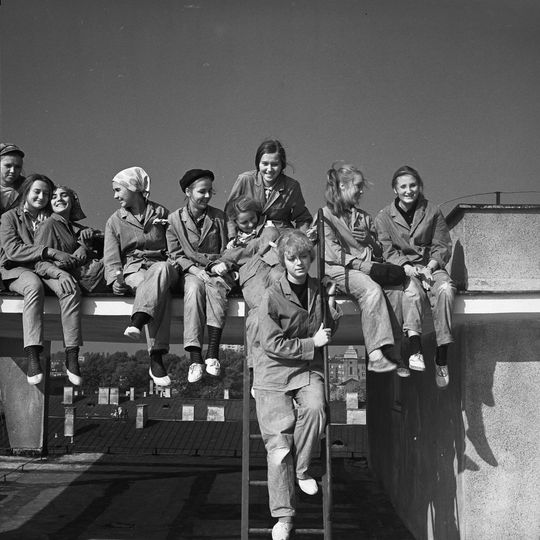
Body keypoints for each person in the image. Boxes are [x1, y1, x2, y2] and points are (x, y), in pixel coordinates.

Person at [254, 229, 340, 540]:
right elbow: (271, 343)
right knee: (279, 450)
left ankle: (302, 470)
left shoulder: (319, 289)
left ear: (310, 257)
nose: (299, 263)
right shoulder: (272, 295)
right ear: (284, 261)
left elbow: (328, 331)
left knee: (316, 408)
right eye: (292, 258)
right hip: (273, 372)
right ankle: (284, 517)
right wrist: (310, 343)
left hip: (306, 368)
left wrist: (331, 301)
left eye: (304, 256)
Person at [375, 165, 456, 388]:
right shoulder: (383, 217)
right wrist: (407, 266)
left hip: (431, 266)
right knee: (411, 292)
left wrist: (429, 267)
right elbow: (387, 250)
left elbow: (442, 244)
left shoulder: (433, 210)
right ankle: (415, 348)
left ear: (419, 187)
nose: (408, 190)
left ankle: (442, 355)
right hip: (405, 269)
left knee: (446, 291)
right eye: (403, 186)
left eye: (412, 185)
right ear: (395, 190)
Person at [321, 162, 404, 373]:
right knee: (371, 290)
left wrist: (369, 240)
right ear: (342, 186)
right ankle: (375, 355)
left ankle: (394, 351)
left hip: (365, 268)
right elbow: (333, 253)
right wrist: (365, 267)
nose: (361, 191)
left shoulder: (365, 217)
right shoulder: (324, 215)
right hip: (338, 270)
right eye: (357, 186)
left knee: (395, 292)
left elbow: (380, 252)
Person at [0, 174, 82, 385]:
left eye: (46, 193)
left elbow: (76, 230)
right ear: (26, 192)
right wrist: (50, 251)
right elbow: (13, 250)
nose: (42, 197)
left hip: (44, 268)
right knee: (33, 286)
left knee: (70, 288)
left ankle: (72, 354)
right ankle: (33, 354)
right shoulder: (9, 217)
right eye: (37, 192)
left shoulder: (51, 216)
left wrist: (83, 245)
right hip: (16, 269)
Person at [104, 166, 179, 387]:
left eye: (118, 190)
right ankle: (156, 356)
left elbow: (174, 245)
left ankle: (138, 320)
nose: (115, 196)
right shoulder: (114, 220)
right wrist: (114, 281)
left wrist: (173, 262)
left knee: (161, 271)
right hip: (134, 269)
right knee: (158, 291)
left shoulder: (162, 213)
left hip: (163, 265)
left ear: (133, 187)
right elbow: (111, 258)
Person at [167, 169, 231, 384]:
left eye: (210, 191)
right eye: (202, 191)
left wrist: (221, 265)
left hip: (217, 269)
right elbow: (175, 254)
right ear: (188, 192)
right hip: (191, 271)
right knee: (193, 290)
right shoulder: (174, 220)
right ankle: (195, 359)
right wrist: (194, 270)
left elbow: (229, 246)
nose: (207, 196)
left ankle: (212, 354)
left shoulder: (219, 217)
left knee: (216, 289)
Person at [225, 139, 312, 239]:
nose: (269, 169)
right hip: (248, 237)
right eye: (265, 164)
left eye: (275, 164)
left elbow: (303, 218)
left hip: (280, 238)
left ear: (282, 165)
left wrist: (301, 240)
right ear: (258, 163)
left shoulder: (292, 186)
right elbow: (229, 214)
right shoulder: (245, 179)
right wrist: (232, 237)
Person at [34, 186, 105, 294]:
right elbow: (39, 262)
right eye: (54, 197)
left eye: (64, 195)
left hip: (90, 275)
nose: (59, 199)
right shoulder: (48, 225)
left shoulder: (75, 227)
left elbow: (106, 238)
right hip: (75, 279)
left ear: (72, 201)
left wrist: (84, 246)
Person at [0, 143, 25, 214]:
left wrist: (44, 211)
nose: (12, 171)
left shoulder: (27, 187)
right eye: (8, 165)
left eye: (17, 167)